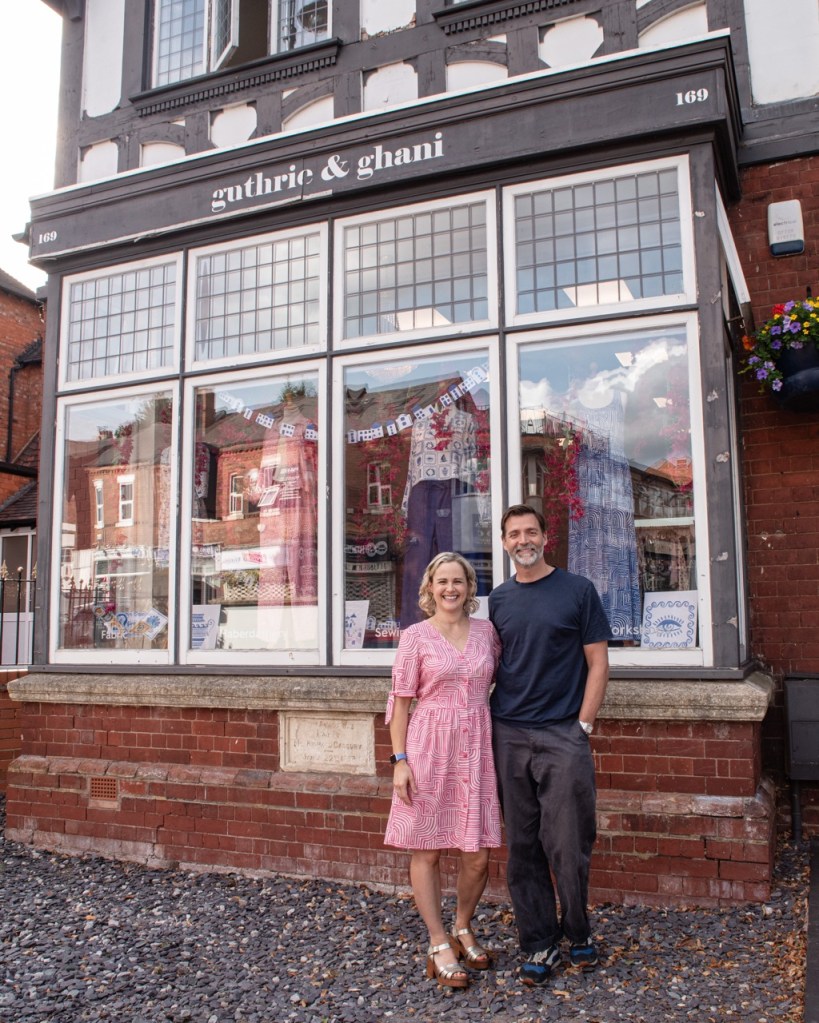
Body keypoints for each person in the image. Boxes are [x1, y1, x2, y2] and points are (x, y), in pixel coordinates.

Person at [489, 505, 612, 986]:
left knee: (569, 841)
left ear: (545, 535)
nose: (524, 539)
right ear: (505, 543)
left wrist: (582, 725)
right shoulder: (497, 600)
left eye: (531, 531)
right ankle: (538, 941)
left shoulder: (577, 591)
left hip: (563, 733)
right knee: (522, 845)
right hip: (510, 733)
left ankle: (578, 931)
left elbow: (598, 664)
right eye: (514, 533)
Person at [385, 551, 501, 989]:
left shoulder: (488, 633)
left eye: (459, 581)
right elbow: (400, 703)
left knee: (477, 855)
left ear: (471, 588)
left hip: (475, 749)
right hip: (428, 748)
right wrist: (400, 762)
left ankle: (463, 925)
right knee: (427, 849)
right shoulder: (415, 637)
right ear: (430, 588)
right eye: (442, 581)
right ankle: (438, 941)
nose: (451, 588)